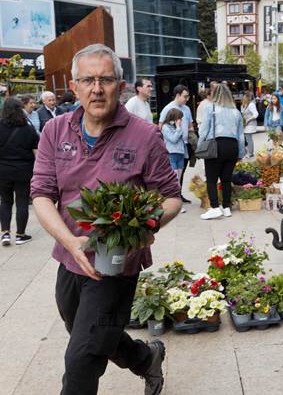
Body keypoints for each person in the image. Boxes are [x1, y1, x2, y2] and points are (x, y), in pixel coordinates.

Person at [31, 43, 182, 395]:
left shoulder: (145, 136)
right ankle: (146, 359)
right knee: (93, 333)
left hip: (117, 263)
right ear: (74, 87)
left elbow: (171, 197)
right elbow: (41, 194)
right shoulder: (55, 132)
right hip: (70, 259)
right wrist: (70, 242)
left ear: (121, 84)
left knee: (82, 357)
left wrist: (148, 224)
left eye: (106, 79)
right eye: (88, 80)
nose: (96, 89)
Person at [196, 83, 244, 220]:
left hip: (216, 145)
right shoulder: (236, 112)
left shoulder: (210, 108)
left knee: (211, 179)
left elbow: (204, 130)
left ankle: (215, 207)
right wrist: (240, 153)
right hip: (232, 146)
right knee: (226, 179)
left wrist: (200, 147)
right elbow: (241, 135)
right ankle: (226, 207)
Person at [0, 97, 39, 246]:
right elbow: (37, 150)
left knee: (5, 201)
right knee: (22, 202)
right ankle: (20, 235)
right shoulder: (28, 128)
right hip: (23, 170)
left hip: (3, 170)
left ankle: (5, 233)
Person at [158, 84, 194, 203]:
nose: (187, 99)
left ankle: (179, 194)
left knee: (181, 171)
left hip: (184, 145)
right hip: (171, 147)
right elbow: (160, 126)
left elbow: (190, 125)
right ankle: (173, 197)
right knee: (173, 173)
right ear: (178, 95)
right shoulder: (168, 108)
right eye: (185, 96)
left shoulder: (187, 109)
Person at [161, 109, 187, 213]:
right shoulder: (165, 127)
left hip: (180, 154)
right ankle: (174, 204)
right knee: (174, 180)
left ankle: (177, 202)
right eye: (179, 118)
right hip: (171, 154)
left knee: (178, 181)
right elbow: (173, 139)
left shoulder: (175, 127)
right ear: (174, 117)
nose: (180, 120)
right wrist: (179, 127)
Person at [241, 91, 258, 158]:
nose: (243, 97)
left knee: (248, 138)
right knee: (247, 138)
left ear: (247, 97)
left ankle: (250, 153)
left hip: (250, 124)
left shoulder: (251, 104)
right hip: (246, 125)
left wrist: (248, 120)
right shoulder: (245, 104)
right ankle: (249, 152)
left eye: (244, 96)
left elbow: (256, 114)